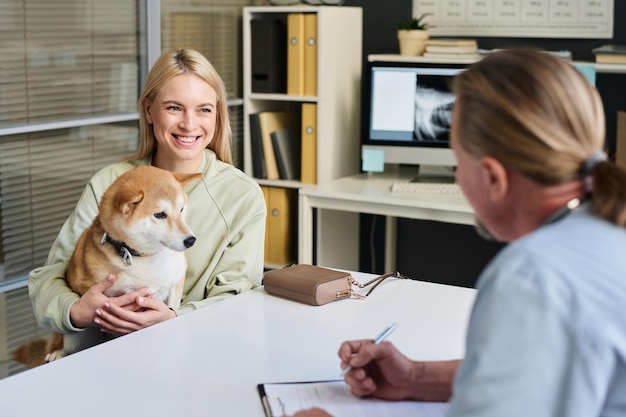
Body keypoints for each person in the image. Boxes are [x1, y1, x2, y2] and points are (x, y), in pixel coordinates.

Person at [289, 49, 626, 416]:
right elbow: (545, 368)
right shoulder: (604, 228)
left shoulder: (533, 277)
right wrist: (415, 377)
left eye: (457, 160)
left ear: (493, 177)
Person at [28, 49, 266, 341]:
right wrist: (76, 310)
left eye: (204, 109)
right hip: (97, 355)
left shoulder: (242, 196)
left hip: (192, 351)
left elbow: (239, 300)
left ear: (217, 114)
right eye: (174, 108)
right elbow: (46, 282)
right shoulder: (109, 185)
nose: (189, 124)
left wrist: (174, 318)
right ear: (149, 110)